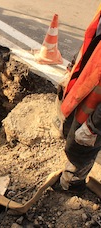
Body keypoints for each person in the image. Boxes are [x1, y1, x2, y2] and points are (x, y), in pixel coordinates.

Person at [54, 4, 101, 193]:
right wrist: (72, 66)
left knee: (81, 145)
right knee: (71, 130)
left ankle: (72, 185)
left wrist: (94, 127)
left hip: (95, 108)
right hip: (85, 84)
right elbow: (91, 40)